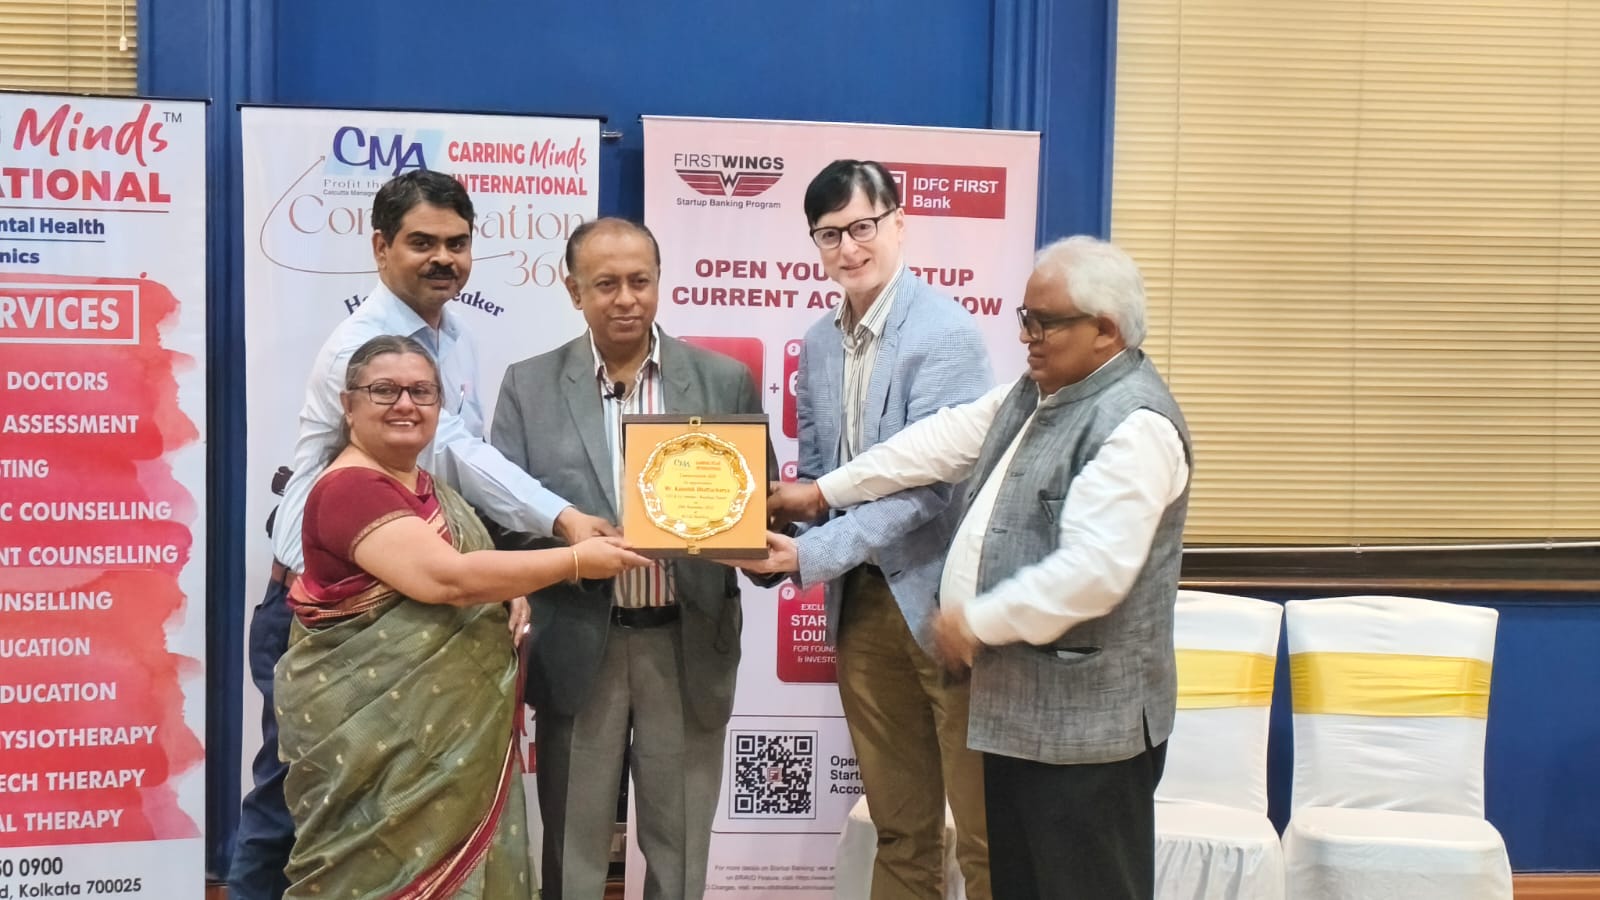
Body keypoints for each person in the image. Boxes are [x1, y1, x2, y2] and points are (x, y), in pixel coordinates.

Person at [770, 236, 1193, 900]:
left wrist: (976, 621)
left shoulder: (1135, 426)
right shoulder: (1038, 393)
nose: (1026, 336)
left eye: (1044, 322)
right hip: (1020, 711)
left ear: (1106, 331)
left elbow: (1093, 573)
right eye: (1025, 317)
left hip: (1088, 732)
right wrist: (824, 492)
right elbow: (935, 443)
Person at [232, 169, 614, 899]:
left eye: (457, 243)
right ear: (381, 247)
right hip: (331, 613)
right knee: (300, 806)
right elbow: (453, 457)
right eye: (422, 243)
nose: (443, 258)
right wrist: (564, 529)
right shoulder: (363, 347)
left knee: (405, 814)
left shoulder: (452, 337)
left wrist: (509, 567)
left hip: (415, 604)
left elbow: (448, 477)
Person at [276, 334, 649, 899]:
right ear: (348, 406)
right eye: (384, 391)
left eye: (422, 391)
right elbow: (445, 580)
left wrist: (507, 592)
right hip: (384, 758)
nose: (406, 404)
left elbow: (468, 566)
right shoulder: (350, 489)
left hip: (453, 747)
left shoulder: (427, 487)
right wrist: (575, 560)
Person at [489, 217, 773, 900]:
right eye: (606, 284)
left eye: (640, 281)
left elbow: (753, 504)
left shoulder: (722, 380)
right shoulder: (528, 385)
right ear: (574, 291)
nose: (626, 299)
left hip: (686, 640)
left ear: (659, 281)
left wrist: (755, 534)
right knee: (573, 851)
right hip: (579, 639)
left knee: (680, 854)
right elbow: (502, 520)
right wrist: (574, 550)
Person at [748, 160, 993, 900]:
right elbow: (822, 477)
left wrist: (808, 553)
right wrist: (765, 521)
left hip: (942, 609)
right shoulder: (818, 344)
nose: (849, 248)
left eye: (863, 227)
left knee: (983, 838)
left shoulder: (946, 336)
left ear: (899, 223)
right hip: (860, 606)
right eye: (830, 235)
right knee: (900, 829)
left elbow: (927, 488)